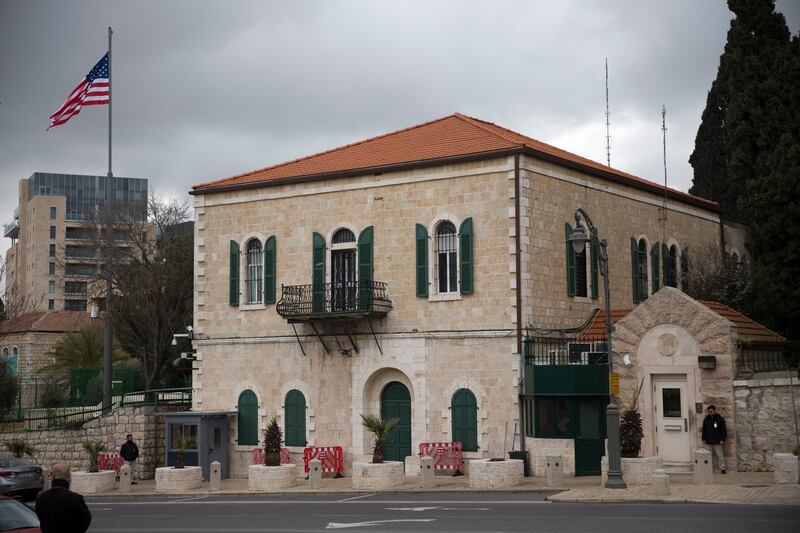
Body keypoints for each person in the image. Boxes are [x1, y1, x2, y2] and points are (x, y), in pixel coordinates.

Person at [35, 463, 91, 533]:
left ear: (52, 477)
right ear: (68, 477)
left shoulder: (41, 497)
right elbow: (85, 519)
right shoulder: (75, 498)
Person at [701, 404, 728, 473]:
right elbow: (704, 430)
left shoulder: (720, 419)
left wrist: (722, 439)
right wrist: (703, 438)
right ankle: (709, 468)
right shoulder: (706, 419)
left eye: (711, 411)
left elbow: (723, 430)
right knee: (708, 456)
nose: (710, 413)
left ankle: (722, 468)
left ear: (714, 411)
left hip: (717, 440)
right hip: (708, 440)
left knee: (720, 455)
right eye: (709, 411)